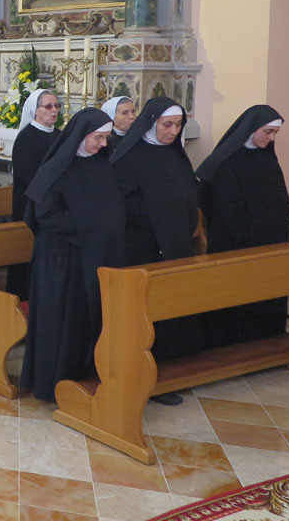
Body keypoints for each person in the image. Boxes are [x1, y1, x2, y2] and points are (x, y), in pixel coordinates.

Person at [20, 108, 125, 402]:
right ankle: (52, 382)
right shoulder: (57, 168)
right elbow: (45, 215)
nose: (103, 144)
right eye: (98, 138)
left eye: (106, 138)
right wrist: (91, 226)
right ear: (80, 136)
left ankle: (84, 374)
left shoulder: (102, 164)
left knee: (87, 317)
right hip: (61, 259)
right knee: (61, 319)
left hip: (96, 255)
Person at [111, 97, 200, 404]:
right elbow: (122, 203)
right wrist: (159, 217)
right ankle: (141, 374)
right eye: (167, 125)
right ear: (151, 123)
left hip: (175, 245)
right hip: (142, 247)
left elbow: (189, 192)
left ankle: (168, 370)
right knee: (144, 314)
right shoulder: (129, 157)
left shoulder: (175, 155)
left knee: (169, 308)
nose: (173, 132)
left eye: (178, 125)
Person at [196, 105, 289, 347]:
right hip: (235, 245)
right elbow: (214, 203)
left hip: (270, 246)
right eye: (268, 132)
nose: (271, 139)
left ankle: (269, 346)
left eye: (275, 133)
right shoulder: (226, 161)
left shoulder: (267, 159)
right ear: (251, 128)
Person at [7, 88, 61, 300]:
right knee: (26, 262)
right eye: (48, 106)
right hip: (30, 208)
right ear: (35, 110)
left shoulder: (59, 136)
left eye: (56, 106)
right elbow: (28, 177)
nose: (54, 110)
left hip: (54, 207)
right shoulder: (26, 138)